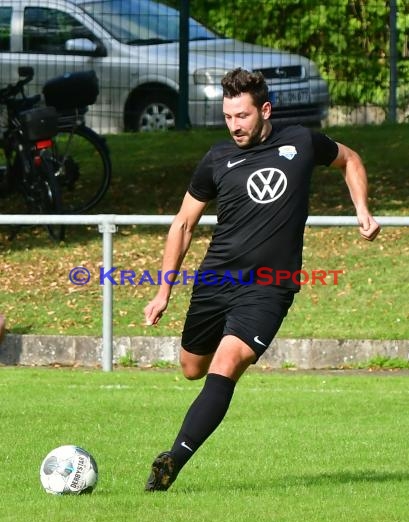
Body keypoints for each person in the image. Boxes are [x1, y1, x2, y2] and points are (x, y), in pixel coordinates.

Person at [143, 67, 380, 492]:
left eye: (243, 116)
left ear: (264, 110)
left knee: (226, 363)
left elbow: (351, 160)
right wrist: (163, 291)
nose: (234, 125)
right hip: (216, 280)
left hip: (270, 284)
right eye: (228, 116)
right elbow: (182, 225)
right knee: (191, 368)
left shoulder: (301, 142)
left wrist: (362, 208)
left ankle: (171, 461)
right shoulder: (216, 159)